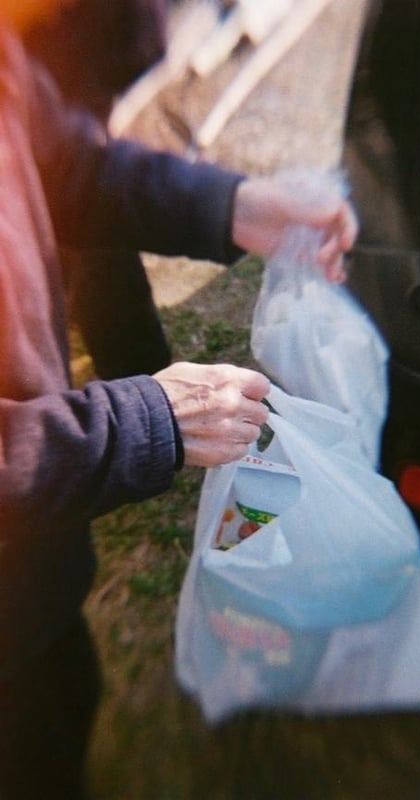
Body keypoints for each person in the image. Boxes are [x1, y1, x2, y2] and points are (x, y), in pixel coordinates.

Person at [0, 1, 358, 797]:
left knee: (65, 712)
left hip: (36, 567)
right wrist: (145, 421)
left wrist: (231, 206)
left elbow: (67, 164)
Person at [23, 0, 172, 379]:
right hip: (64, 38)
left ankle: (140, 381)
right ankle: (139, 380)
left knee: (80, 194)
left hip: (76, 36)